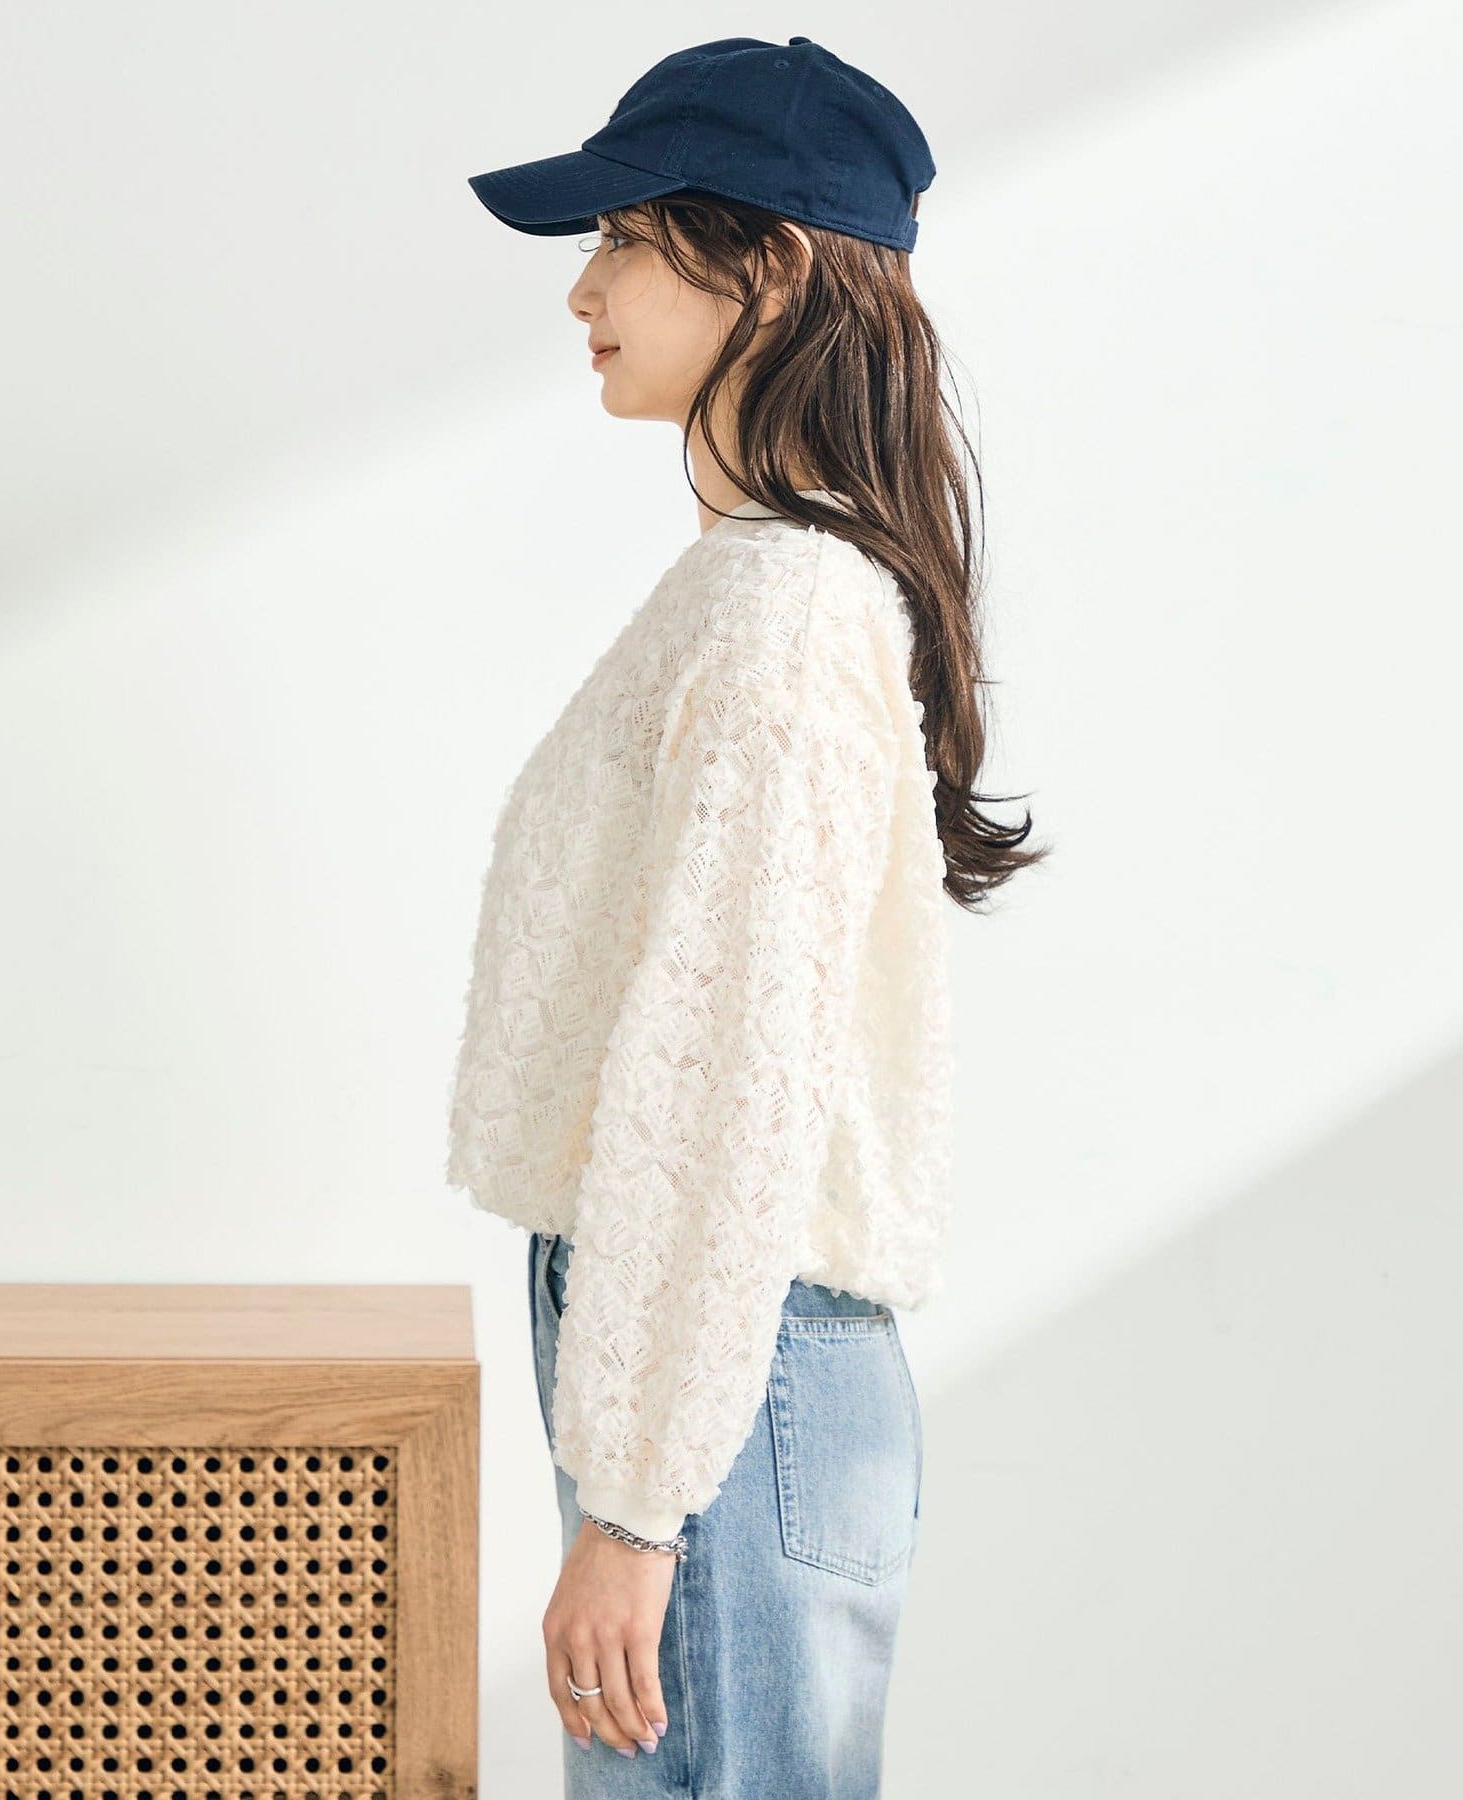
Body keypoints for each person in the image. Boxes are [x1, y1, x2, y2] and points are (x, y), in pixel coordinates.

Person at [446, 34, 1047, 1797]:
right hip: (715, 1366)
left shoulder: (782, 614)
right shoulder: (766, 588)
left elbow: (733, 1081)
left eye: (626, 238)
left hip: (721, 1383)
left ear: (768, 267)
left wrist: (640, 1504)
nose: (584, 291)